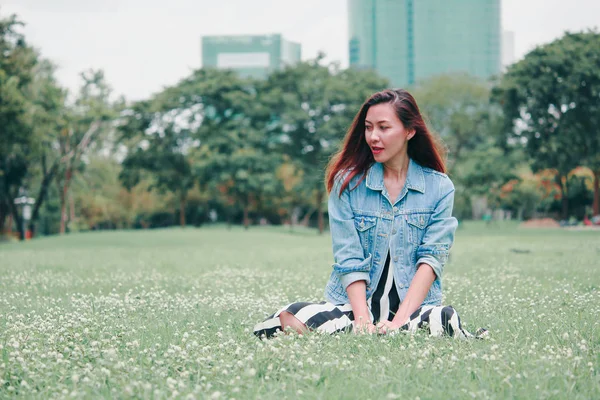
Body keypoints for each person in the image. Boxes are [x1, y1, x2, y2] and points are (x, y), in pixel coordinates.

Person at [254, 89, 485, 339]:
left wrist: (398, 322)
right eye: (368, 127)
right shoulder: (348, 184)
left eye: (384, 128)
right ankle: (366, 330)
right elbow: (348, 257)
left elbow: (431, 261)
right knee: (289, 316)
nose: (373, 137)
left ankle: (393, 330)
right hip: (355, 307)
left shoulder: (439, 187)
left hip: (410, 309)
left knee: (444, 317)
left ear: (409, 131)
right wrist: (363, 320)